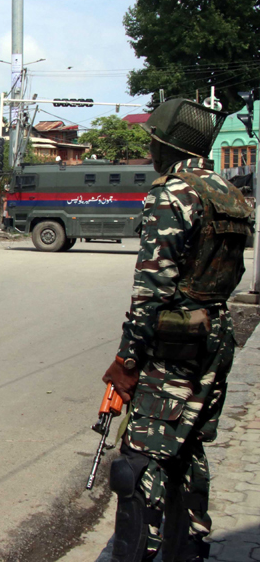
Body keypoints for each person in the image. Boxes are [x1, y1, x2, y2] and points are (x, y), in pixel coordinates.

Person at [101, 98, 252, 562]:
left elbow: (151, 291)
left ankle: (138, 553)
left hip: (174, 347)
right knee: (186, 448)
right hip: (216, 338)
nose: (150, 151)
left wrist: (127, 361)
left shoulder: (172, 194)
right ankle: (188, 549)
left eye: (153, 142)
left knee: (138, 463)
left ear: (168, 146)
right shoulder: (228, 192)